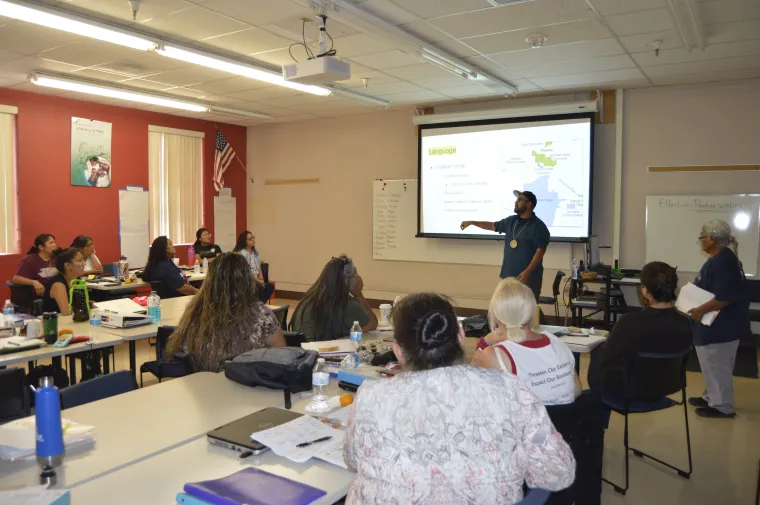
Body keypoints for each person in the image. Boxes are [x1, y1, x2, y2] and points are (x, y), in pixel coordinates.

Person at [343, 292, 576, 505]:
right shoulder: (511, 389)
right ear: (462, 337)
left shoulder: (369, 396)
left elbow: (352, 461)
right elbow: (558, 473)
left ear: (398, 351)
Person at [166, 253, 286, 372]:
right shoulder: (260, 314)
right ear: (247, 280)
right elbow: (282, 356)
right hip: (246, 383)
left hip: (201, 384)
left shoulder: (194, 312)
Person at [588, 261, 692, 399]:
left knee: (597, 351)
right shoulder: (685, 322)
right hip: (667, 386)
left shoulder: (629, 322)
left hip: (629, 388)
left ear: (644, 289)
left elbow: (607, 359)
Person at [472, 278, 580, 405]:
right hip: (568, 422)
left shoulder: (494, 354)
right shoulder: (556, 342)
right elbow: (577, 390)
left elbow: (473, 384)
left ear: (495, 315)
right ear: (532, 312)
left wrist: (484, 342)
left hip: (526, 423)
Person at [687, 220, 750, 418]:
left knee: (717, 365)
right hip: (716, 324)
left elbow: (724, 298)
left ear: (712, 239)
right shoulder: (722, 258)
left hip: (721, 326)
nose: (701, 242)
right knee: (712, 365)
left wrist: (698, 311)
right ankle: (710, 397)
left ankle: (722, 406)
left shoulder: (723, 262)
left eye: (702, 238)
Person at [461, 190, 550, 301]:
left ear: (529, 204)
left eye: (519, 200)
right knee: (506, 307)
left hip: (528, 277)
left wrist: (528, 271)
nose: (516, 202)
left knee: (527, 310)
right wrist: (473, 222)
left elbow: (540, 252)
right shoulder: (511, 221)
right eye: (516, 199)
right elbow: (492, 226)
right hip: (508, 275)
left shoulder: (539, 226)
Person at [289, 255, 377, 340]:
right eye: (355, 274)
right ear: (346, 281)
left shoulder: (308, 299)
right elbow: (372, 323)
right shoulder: (345, 303)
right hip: (323, 353)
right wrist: (358, 295)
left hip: (303, 351)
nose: (358, 278)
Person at [233, 231, 274, 303]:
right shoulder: (241, 253)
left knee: (270, 286)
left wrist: (261, 278)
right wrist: (258, 281)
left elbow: (259, 266)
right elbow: (246, 271)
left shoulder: (255, 252)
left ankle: (260, 303)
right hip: (247, 279)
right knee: (259, 287)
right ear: (244, 241)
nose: (253, 240)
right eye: (250, 239)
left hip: (256, 278)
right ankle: (256, 304)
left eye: (253, 238)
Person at [42, 247, 85, 315]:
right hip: (55, 322)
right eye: (79, 261)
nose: (84, 264)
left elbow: (80, 304)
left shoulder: (77, 279)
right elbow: (66, 312)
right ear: (67, 265)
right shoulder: (58, 284)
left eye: (83, 260)